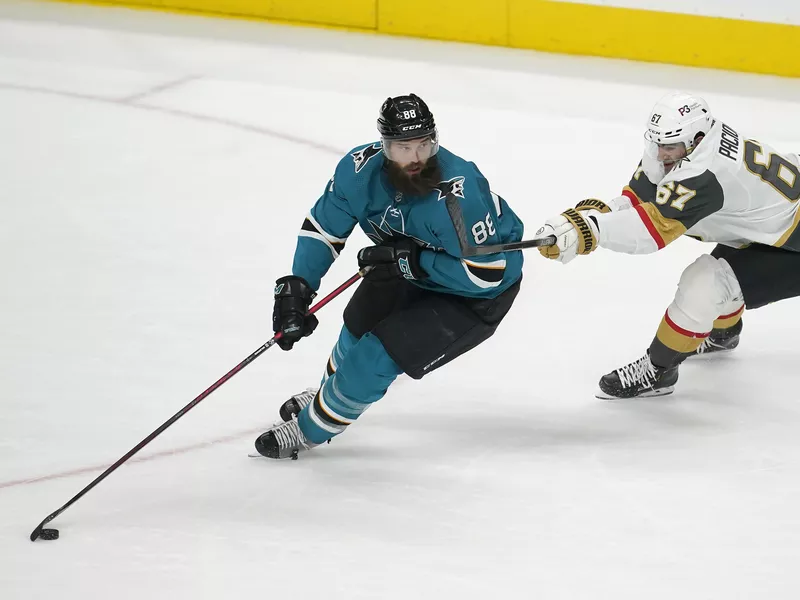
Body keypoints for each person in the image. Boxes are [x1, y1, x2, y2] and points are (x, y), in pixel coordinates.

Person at [255, 93, 525, 458]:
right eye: (403, 147)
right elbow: (324, 228)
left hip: (471, 297)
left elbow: (486, 274)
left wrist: (416, 263)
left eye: (424, 144)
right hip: (405, 265)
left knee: (375, 356)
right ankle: (328, 396)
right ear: (384, 146)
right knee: (354, 329)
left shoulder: (457, 196)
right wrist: (298, 288)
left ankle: (309, 429)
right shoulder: (357, 170)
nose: (416, 158)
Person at [532, 91, 800, 399]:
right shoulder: (684, 147)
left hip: (794, 241)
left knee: (706, 283)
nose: (660, 154)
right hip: (775, 224)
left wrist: (590, 230)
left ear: (697, 139)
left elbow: (652, 230)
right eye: (658, 144)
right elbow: (641, 199)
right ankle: (723, 333)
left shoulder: (704, 173)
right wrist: (597, 216)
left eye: (668, 147)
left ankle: (658, 371)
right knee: (728, 272)